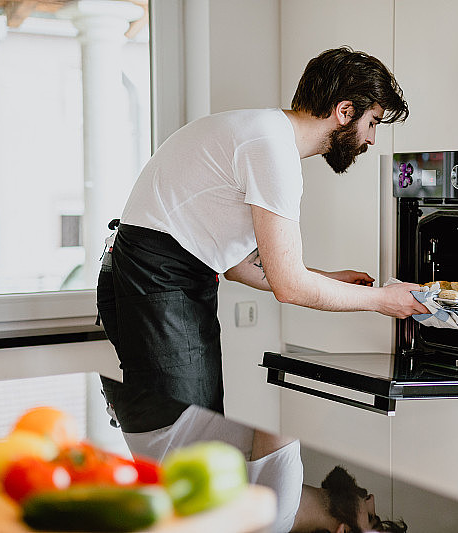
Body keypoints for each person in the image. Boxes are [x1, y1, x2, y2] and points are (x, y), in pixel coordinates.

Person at [95, 47, 427, 437]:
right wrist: (385, 302)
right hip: (156, 281)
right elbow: (289, 286)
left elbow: (238, 265)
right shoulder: (272, 150)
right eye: (372, 122)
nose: (371, 139)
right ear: (345, 111)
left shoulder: (262, 132)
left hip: (151, 274)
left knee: (189, 436)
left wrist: (326, 278)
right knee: (186, 438)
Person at [120, 404, 407, 533]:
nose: (371, 500)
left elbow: (280, 403)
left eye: (372, 518)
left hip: (160, 406)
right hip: (146, 412)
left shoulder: (281, 503)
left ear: (344, 532)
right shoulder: (277, 517)